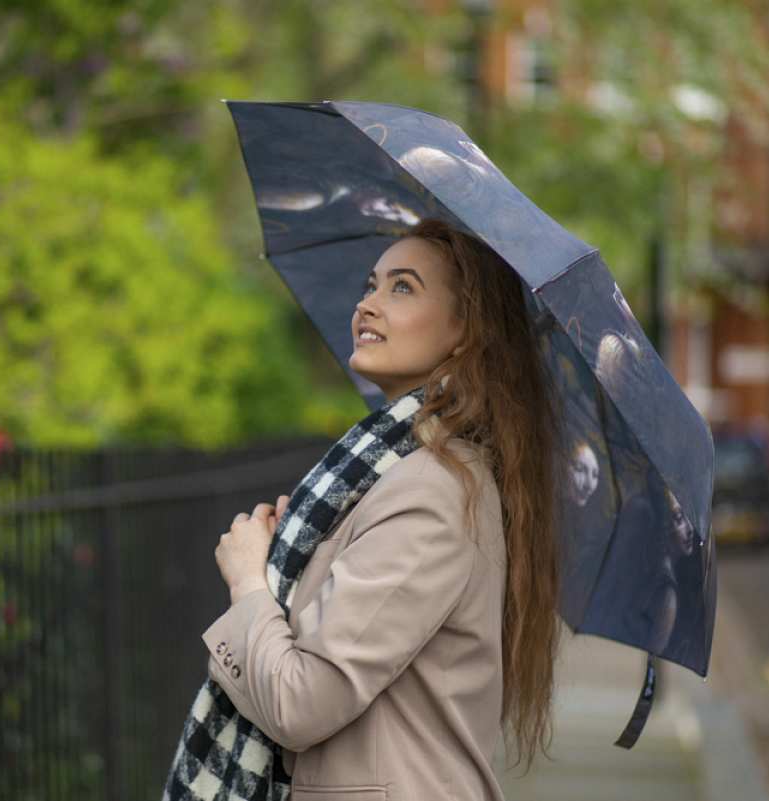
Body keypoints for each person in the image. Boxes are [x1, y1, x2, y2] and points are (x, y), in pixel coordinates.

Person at [204, 217, 561, 799]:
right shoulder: (389, 474)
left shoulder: (430, 491)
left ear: (465, 334)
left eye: (403, 287)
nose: (368, 303)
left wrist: (249, 583)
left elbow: (301, 702)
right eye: (372, 285)